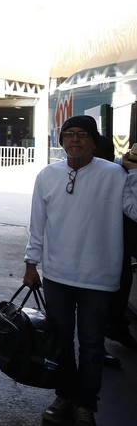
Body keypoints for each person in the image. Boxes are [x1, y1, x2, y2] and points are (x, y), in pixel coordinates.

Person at [24, 115, 137, 426]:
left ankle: (85, 404)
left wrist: (136, 174)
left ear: (94, 141)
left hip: (99, 278)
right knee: (60, 340)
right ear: (61, 140)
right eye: (69, 134)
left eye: (82, 135)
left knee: (91, 344)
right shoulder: (47, 175)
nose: (74, 140)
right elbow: (37, 224)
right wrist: (31, 263)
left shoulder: (115, 174)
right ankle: (64, 396)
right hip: (57, 275)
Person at [92, 136, 137, 369]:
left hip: (118, 247)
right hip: (98, 249)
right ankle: (101, 343)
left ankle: (116, 329)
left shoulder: (120, 173)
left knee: (118, 290)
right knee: (97, 302)